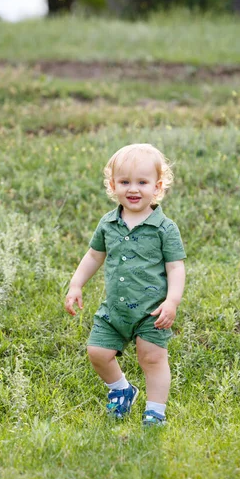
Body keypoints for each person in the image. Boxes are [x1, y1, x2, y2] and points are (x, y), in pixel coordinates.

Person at [64, 143, 186, 426]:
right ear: (112, 185)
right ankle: (121, 389)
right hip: (115, 309)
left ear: (157, 187)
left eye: (142, 182)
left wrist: (172, 301)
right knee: (97, 352)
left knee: (152, 358)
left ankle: (155, 411)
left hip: (151, 311)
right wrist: (76, 285)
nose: (134, 189)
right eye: (125, 182)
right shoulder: (108, 223)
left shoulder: (164, 228)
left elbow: (176, 266)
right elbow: (94, 255)